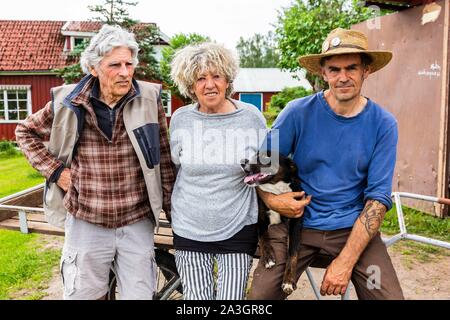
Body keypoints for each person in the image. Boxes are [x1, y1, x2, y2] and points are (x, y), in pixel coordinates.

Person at [15, 24, 175, 300]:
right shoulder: (67, 100)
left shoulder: (149, 98)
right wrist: (57, 172)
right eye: (115, 65)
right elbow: (24, 132)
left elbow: (163, 159)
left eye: (129, 63)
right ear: (94, 68)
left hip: (136, 220)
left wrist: (175, 216)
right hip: (86, 220)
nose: (125, 72)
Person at [248, 28, 404, 300]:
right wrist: (273, 202)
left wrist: (344, 263)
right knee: (259, 299)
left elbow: (378, 200)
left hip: (353, 228)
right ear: (323, 73)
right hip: (299, 223)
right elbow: (261, 166)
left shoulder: (383, 124)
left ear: (366, 70)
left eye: (351, 68)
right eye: (334, 69)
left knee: (388, 297)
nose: (342, 77)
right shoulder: (297, 112)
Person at [169, 42, 267, 300]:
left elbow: (268, 168)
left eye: (216, 76)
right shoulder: (180, 119)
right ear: (191, 85)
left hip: (238, 226)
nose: (209, 84)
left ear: (228, 81)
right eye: (201, 78)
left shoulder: (252, 117)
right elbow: (175, 166)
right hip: (188, 226)